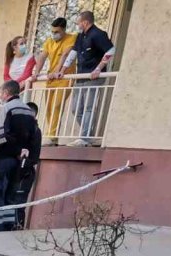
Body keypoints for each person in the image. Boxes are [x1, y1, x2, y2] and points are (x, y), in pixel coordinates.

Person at [54, 10, 115, 146]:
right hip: (80, 76)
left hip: (93, 78)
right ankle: (88, 135)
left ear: (85, 22)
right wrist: (62, 70)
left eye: (78, 23)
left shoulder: (98, 34)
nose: (78, 25)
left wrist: (98, 68)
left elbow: (111, 50)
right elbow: (73, 53)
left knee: (88, 108)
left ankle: (84, 138)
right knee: (76, 109)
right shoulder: (81, 36)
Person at [0, 80, 38, 232]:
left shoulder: (5, 109)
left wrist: (9, 150)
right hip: (18, 161)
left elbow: (1, 136)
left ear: (6, 93)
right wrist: (22, 151)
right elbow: (33, 136)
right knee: (10, 196)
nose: (0, 97)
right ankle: (7, 229)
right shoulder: (28, 111)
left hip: (2, 159)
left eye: (1, 93)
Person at [33, 17, 76, 145]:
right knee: (49, 107)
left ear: (64, 29)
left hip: (64, 77)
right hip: (51, 78)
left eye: (57, 32)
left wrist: (57, 71)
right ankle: (53, 137)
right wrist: (36, 73)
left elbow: (65, 55)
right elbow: (42, 57)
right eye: (52, 32)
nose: (54, 34)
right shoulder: (49, 42)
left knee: (57, 105)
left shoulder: (71, 38)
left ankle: (51, 136)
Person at [10, 102, 43, 229]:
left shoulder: (35, 131)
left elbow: (33, 157)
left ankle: (17, 229)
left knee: (18, 204)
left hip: (24, 174)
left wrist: (23, 163)